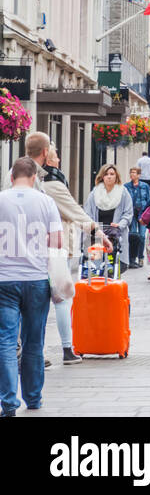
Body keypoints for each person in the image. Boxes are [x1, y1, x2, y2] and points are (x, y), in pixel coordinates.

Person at [26, 133, 109, 364]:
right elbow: (76, 212)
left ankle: (33, 352)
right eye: (55, 154)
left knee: (33, 302)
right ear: (46, 156)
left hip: (28, 250)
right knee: (61, 298)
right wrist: (99, 233)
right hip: (52, 250)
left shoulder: (20, 176)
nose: (59, 159)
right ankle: (63, 349)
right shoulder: (50, 184)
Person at [0, 157, 63, 416]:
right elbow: (57, 243)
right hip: (37, 279)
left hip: (4, 279)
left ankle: (8, 402)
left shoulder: (1, 199)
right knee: (33, 341)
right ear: (35, 177)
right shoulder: (46, 202)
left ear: (12, 176)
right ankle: (33, 397)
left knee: (5, 341)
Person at [125, 167, 150, 270]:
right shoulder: (126, 186)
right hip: (132, 213)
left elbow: (148, 200)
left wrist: (148, 213)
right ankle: (132, 258)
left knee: (142, 236)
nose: (132, 175)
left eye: (134, 173)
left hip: (142, 213)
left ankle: (141, 257)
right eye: (131, 173)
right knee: (133, 235)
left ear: (139, 175)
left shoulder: (144, 186)